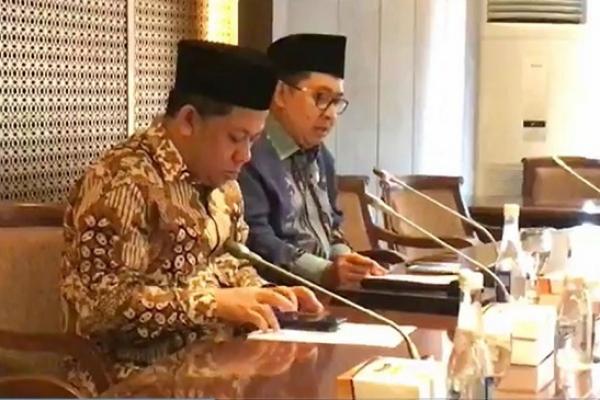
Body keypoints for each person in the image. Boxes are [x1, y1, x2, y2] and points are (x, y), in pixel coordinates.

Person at [60, 39, 324, 373]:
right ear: (188, 120)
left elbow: (228, 262)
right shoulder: (123, 181)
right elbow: (102, 308)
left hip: (219, 364)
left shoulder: (224, 184)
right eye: (235, 138)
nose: (245, 156)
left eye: (253, 140)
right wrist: (211, 304)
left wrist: (267, 296)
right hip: (133, 377)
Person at [238, 34, 386, 289]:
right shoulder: (247, 155)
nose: (330, 114)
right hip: (280, 295)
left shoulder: (322, 156)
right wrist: (324, 272)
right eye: (320, 98)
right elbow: (255, 240)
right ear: (280, 93)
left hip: (328, 292)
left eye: (336, 102)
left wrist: (347, 261)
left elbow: (332, 226)